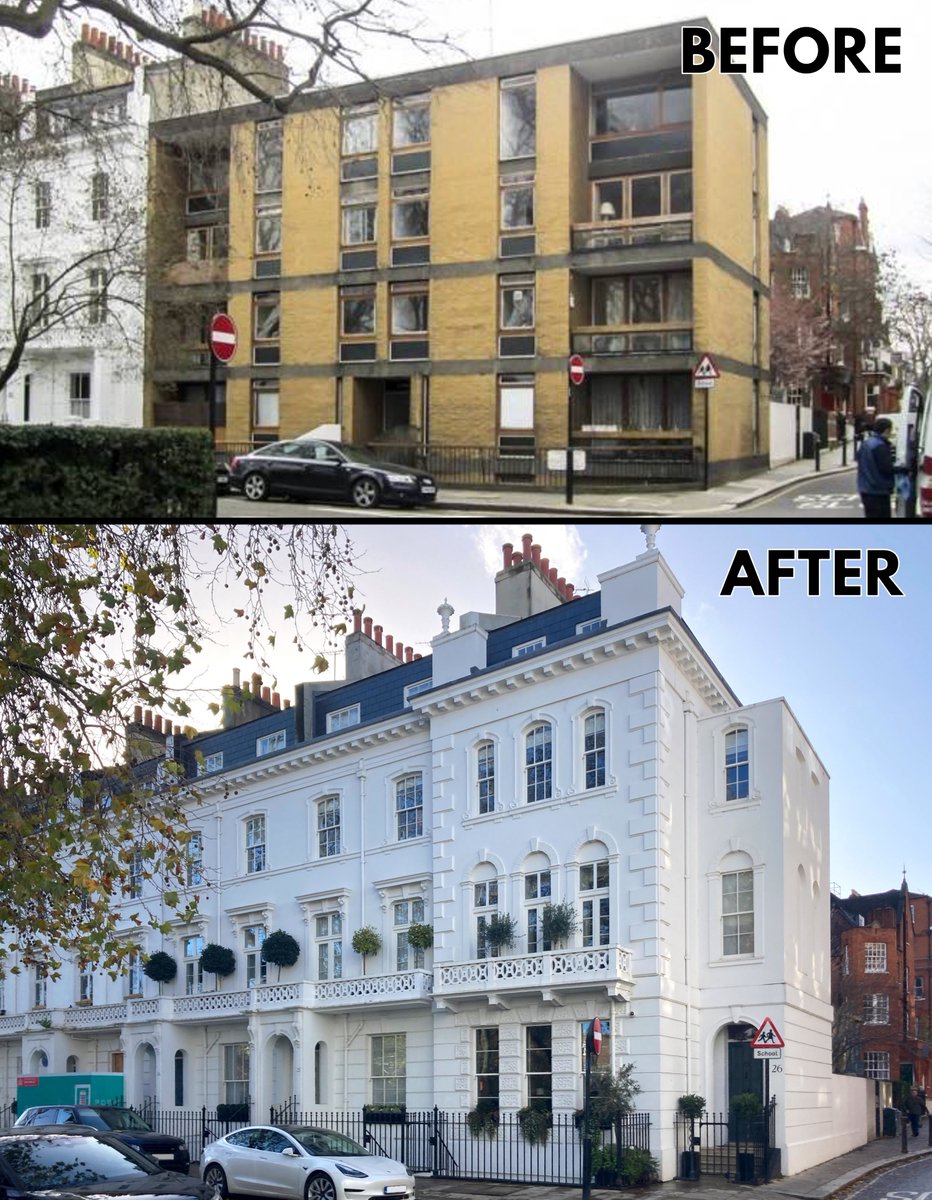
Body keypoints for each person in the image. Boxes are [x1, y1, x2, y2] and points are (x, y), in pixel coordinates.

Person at [856, 417, 895, 520]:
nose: (891, 433)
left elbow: (859, 459)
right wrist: (904, 469)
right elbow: (886, 469)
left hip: (865, 489)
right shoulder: (880, 446)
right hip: (878, 491)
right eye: (891, 430)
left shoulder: (866, 443)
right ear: (886, 430)